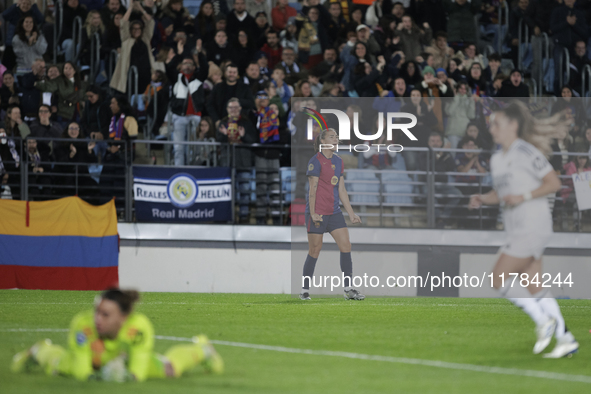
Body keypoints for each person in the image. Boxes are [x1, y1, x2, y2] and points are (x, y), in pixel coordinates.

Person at [468, 101, 579, 358]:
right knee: (534, 287)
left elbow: (553, 183)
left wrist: (525, 196)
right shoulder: (497, 159)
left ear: (513, 125)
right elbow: (503, 193)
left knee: (497, 278)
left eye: (497, 123)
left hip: (533, 225)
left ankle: (543, 321)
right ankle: (566, 339)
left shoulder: (526, 152)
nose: (492, 128)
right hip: (517, 228)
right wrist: (483, 199)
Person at [11, 288, 223, 381]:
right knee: (57, 367)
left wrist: (129, 377)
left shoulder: (139, 328)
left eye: (105, 314)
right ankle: (40, 349)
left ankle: (202, 349)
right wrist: (93, 378)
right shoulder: (83, 325)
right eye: (97, 312)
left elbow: (139, 364)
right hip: (91, 360)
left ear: (123, 317)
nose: (97, 319)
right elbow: (82, 365)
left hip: (126, 361)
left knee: (170, 369)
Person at [300, 128, 364, 301]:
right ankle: (305, 290)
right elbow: (312, 190)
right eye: (331, 137)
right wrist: (313, 213)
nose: (336, 139)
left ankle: (348, 289)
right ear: (322, 141)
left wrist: (351, 213)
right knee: (314, 250)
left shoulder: (338, 161)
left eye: (337, 136)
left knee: (346, 246)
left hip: (334, 212)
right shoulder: (316, 161)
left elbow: (341, 189)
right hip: (318, 213)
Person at [110, 2, 155, 95]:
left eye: (139, 28)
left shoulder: (145, 38)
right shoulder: (126, 39)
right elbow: (123, 22)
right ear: (130, 30)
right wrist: (130, 8)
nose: (136, 30)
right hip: (130, 75)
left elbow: (150, 22)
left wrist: (141, 8)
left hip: (145, 74)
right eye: (134, 28)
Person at [171, 56, 206, 166]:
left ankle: (192, 170)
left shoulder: (199, 79)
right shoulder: (175, 78)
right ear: (180, 66)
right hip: (179, 117)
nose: (187, 65)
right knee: (179, 148)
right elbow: (169, 67)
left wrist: (200, 54)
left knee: (193, 148)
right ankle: (179, 170)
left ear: (194, 67)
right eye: (185, 63)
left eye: (190, 64)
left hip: (195, 116)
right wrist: (178, 54)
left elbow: (205, 68)